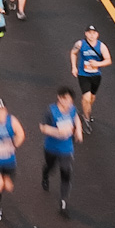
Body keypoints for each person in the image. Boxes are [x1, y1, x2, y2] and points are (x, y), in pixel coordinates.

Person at [40, 85, 82, 217]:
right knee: (50, 167)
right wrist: (58, 132)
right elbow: (43, 128)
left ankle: (63, 203)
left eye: (70, 101)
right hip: (51, 147)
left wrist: (79, 131)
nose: (68, 104)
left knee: (66, 172)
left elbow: (76, 118)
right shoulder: (51, 111)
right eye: (65, 100)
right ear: (59, 98)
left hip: (66, 148)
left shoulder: (72, 109)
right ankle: (45, 174)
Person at [73, 25, 111, 128]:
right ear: (86, 33)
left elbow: (108, 60)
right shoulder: (80, 44)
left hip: (96, 76)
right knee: (86, 98)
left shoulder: (101, 46)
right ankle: (86, 118)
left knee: (91, 98)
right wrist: (74, 67)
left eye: (94, 33)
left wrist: (97, 64)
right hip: (83, 74)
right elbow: (73, 53)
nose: (91, 35)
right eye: (89, 33)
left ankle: (87, 109)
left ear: (97, 34)